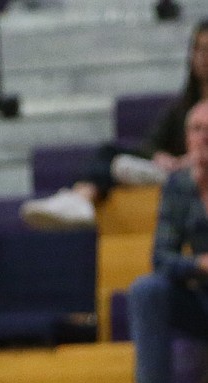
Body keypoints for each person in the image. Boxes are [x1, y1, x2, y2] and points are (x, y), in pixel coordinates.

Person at [21, 18, 208, 231]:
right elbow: (149, 144)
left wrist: (191, 161)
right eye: (199, 49)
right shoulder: (181, 107)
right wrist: (160, 157)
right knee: (110, 153)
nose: (203, 57)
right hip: (174, 170)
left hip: (197, 172)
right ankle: (81, 197)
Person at [128, 101, 208, 383]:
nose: (204, 137)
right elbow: (162, 258)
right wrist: (199, 264)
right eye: (197, 129)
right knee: (147, 289)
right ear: (186, 137)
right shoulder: (179, 186)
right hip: (201, 295)